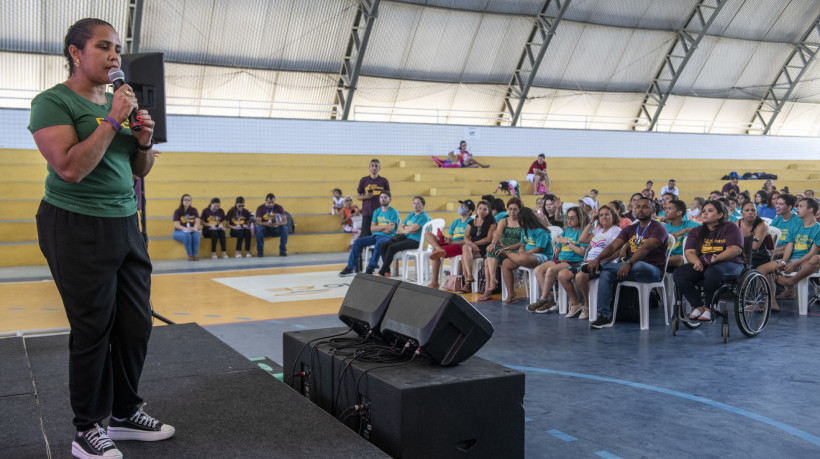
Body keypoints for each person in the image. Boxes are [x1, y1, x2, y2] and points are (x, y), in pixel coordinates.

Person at [28, 18, 174, 458]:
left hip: (124, 223)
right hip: (74, 224)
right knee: (93, 329)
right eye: (104, 46)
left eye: (117, 48)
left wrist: (144, 142)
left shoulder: (119, 104)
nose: (115, 56)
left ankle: (125, 412)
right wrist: (113, 120)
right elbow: (70, 169)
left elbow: (137, 170)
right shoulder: (52, 102)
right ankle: (88, 427)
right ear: (75, 52)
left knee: (135, 324)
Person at [586, 197, 669, 329]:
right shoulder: (631, 229)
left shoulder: (658, 228)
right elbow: (614, 246)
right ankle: (605, 316)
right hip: (629, 270)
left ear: (653, 210)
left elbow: (646, 248)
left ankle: (602, 266)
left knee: (638, 265)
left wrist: (629, 262)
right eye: (637, 207)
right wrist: (597, 259)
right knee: (606, 274)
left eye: (645, 207)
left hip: (651, 271)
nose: (640, 210)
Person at [673, 200, 745, 322]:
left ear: (720, 215)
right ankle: (698, 306)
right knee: (680, 274)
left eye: (710, 211)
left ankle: (710, 308)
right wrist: (696, 262)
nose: (705, 213)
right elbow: (689, 252)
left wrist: (718, 258)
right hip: (705, 263)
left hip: (731, 263)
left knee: (712, 272)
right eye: (704, 211)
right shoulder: (697, 231)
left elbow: (735, 249)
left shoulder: (730, 227)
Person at [557, 205, 622, 320]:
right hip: (587, 261)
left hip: (603, 263)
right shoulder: (598, 230)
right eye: (601, 215)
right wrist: (591, 221)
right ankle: (576, 303)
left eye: (607, 214)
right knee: (562, 275)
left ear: (613, 216)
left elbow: (617, 252)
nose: (604, 217)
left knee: (580, 276)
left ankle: (587, 305)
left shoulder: (616, 231)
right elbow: (582, 240)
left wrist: (600, 261)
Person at [758, 198, 820, 312]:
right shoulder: (796, 226)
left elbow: (812, 253)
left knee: (816, 258)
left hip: (806, 262)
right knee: (761, 269)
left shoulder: (818, 229)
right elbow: (789, 246)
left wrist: (794, 264)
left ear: (810, 209)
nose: (797, 208)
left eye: (801, 206)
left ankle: (791, 281)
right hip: (792, 259)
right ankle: (772, 303)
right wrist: (783, 262)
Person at [526, 206, 589, 314]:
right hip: (560, 259)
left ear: (580, 218)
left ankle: (543, 300)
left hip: (573, 261)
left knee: (550, 270)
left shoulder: (582, 231)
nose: (569, 221)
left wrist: (567, 243)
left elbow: (582, 253)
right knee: (538, 270)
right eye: (568, 218)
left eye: (572, 218)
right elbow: (559, 243)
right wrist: (557, 247)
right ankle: (548, 300)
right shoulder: (566, 230)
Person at [339, 191, 400, 276]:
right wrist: (384, 227)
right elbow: (372, 228)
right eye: (381, 197)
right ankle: (350, 267)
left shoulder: (394, 212)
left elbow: (390, 230)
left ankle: (370, 268)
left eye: (385, 197)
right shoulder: (377, 211)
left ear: (390, 199)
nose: (383, 199)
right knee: (357, 242)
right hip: (375, 235)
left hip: (387, 237)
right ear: (379, 199)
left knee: (379, 243)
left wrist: (378, 228)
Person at [499, 207, 552, 305]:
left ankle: (507, 253)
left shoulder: (541, 231)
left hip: (543, 256)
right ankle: (511, 293)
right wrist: (521, 250)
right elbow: (522, 244)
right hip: (527, 256)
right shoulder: (525, 230)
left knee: (521, 258)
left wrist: (523, 254)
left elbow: (539, 249)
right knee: (505, 263)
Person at [477, 198, 522, 301]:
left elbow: (523, 241)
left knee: (487, 262)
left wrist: (508, 248)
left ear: (519, 210)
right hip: (502, 247)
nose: (512, 212)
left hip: (515, 249)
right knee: (491, 251)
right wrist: (493, 244)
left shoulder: (522, 222)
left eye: (515, 209)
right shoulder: (504, 221)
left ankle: (488, 290)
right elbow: (497, 234)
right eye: (510, 209)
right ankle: (492, 280)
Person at [423, 200, 475, 289]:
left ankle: (434, 282)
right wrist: (445, 239)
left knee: (435, 253)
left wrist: (452, 242)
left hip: (460, 246)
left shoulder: (472, 222)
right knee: (427, 234)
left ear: (470, 211)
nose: (461, 208)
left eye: (464, 207)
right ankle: (438, 247)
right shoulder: (456, 222)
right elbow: (450, 237)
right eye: (461, 206)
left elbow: (469, 240)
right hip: (452, 243)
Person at [376, 196, 430, 277]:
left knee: (391, 247)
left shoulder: (424, 217)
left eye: (418, 203)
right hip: (404, 237)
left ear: (423, 205)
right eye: (414, 203)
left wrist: (408, 229)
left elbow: (413, 228)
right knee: (383, 245)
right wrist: (407, 230)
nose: (415, 205)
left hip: (415, 241)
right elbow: (400, 228)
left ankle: (381, 272)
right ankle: (387, 271)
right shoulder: (411, 215)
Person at [458, 200, 497, 293]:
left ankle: (468, 283)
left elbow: (488, 239)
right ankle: (469, 278)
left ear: (488, 211)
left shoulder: (492, 223)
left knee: (464, 255)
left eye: (485, 209)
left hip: (484, 248)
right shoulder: (471, 222)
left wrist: (475, 244)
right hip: (472, 247)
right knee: (465, 248)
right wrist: (472, 244)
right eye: (480, 208)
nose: (482, 211)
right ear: (477, 210)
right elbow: (466, 237)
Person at [664, 199, 701, 269]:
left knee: (676, 258)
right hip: (666, 256)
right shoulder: (664, 227)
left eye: (669, 209)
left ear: (679, 213)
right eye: (666, 208)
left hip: (682, 258)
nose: (666, 211)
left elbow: (707, 228)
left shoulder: (689, 224)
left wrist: (686, 230)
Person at [357, 159, 390, 238]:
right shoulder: (364, 180)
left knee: (377, 235)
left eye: (376, 166)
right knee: (365, 236)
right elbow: (358, 196)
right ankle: (363, 250)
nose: (374, 168)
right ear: (369, 167)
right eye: (372, 166)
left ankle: (375, 251)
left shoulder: (384, 181)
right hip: (367, 212)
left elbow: (388, 196)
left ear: (379, 168)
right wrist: (366, 197)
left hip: (380, 213)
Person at [737, 202, 772, 269]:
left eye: (753, 210)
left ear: (757, 213)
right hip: (741, 254)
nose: (750, 212)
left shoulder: (762, 225)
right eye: (747, 210)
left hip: (758, 257)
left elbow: (754, 246)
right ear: (741, 213)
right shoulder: (736, 224)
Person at [771, 194, 800, 259]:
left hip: (789, 249)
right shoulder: (777, 219)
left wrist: (775, 250)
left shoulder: (798, 221)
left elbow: (794, 244)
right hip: (775, 247)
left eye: (781, 204)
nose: (777, 206)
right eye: (777, 203)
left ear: (789, 207)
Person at [173, 194, 201, 261]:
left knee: (196, 235)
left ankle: (195, 255)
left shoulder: (194, 210)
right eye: (185, 199)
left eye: (189, 200)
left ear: (191, 201)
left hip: (191, 230)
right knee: (187, 235)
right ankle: (190, 255)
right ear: (182, 201)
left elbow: (197, 221)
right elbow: (176, 225)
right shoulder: (177, 211)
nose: (187, 201)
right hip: (179, 231)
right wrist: (186, 229)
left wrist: (195, 227)